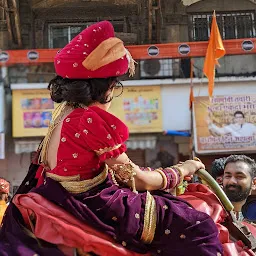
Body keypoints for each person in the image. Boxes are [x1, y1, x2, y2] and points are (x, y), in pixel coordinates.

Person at [0, 21, 223, 256]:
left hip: (64, 196)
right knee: (200, 225)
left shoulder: (62, 112)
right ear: (105, 87)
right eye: (115, 85)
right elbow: (141, 180)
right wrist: (181, 170)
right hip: (99, 203)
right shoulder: (89, 119)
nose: (114, 92)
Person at [222, 155, 256, 221]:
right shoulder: (211, 211)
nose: (232, 181)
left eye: (239, 176)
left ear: (254, 183)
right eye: (228, 176)